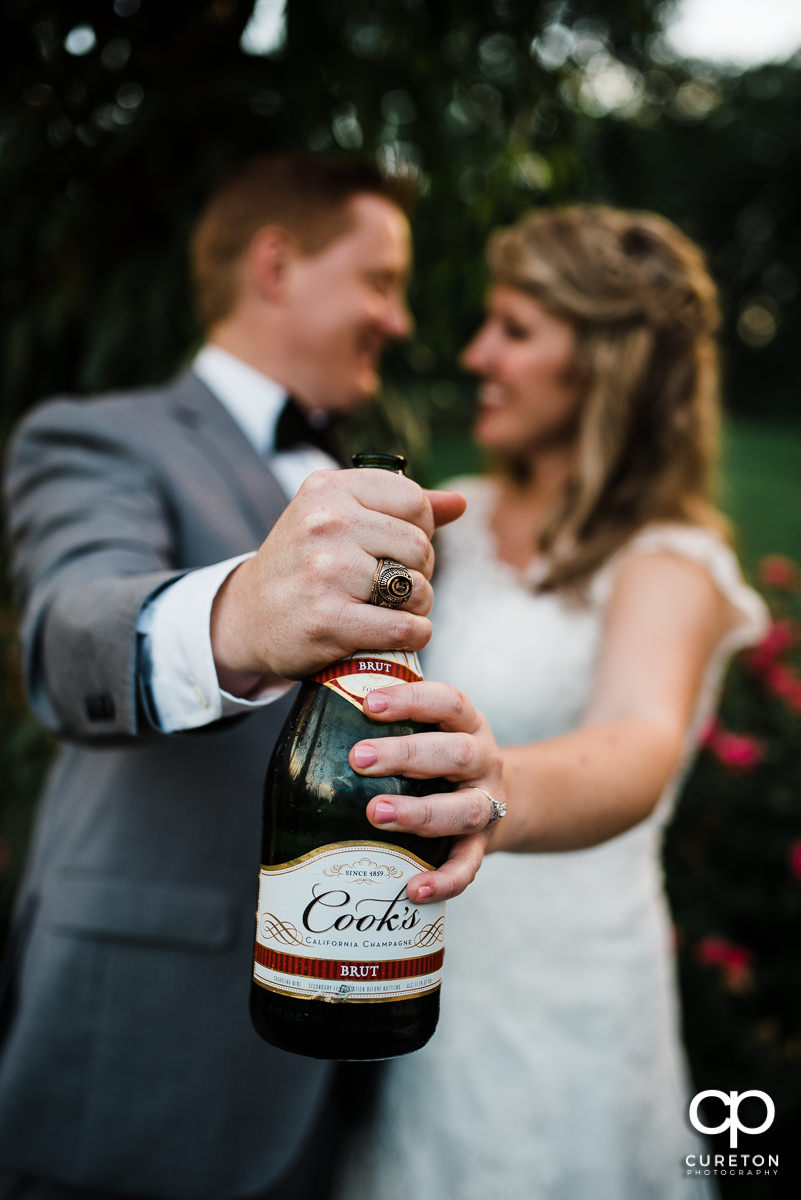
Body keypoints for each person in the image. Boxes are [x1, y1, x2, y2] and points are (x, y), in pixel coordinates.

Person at [0, 154, 503, 1200]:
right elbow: (66, 634)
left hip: (365, 1042)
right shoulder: (99, 437)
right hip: (148, 1052)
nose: (401, 321)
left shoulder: (376, 473)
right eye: (380, 279)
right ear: (276, 264)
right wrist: (242, 614)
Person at [332, 204, 769, 1200]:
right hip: (424, 966)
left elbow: (640, 738)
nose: (478, 353)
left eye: (517, 330)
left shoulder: (670, 561)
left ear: (608, 362)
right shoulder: (459, 517)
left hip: (569, 998)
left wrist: (496, 787)